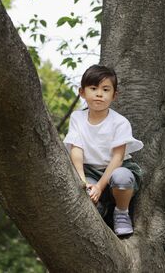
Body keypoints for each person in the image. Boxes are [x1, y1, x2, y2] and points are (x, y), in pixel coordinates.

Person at [63, 65, 144, 236]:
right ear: (82, 92)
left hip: (116, 169)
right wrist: (83, 182)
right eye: (93, 88)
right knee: (81, 194)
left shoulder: (120, 123)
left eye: (105, 89)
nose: (99, 94)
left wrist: (100, 187)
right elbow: (76, 150)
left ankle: (121, 212)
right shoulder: (77, 118)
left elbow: (118, 158)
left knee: (121, 177)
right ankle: (101, 209)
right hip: (89, 170)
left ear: (114, 95)